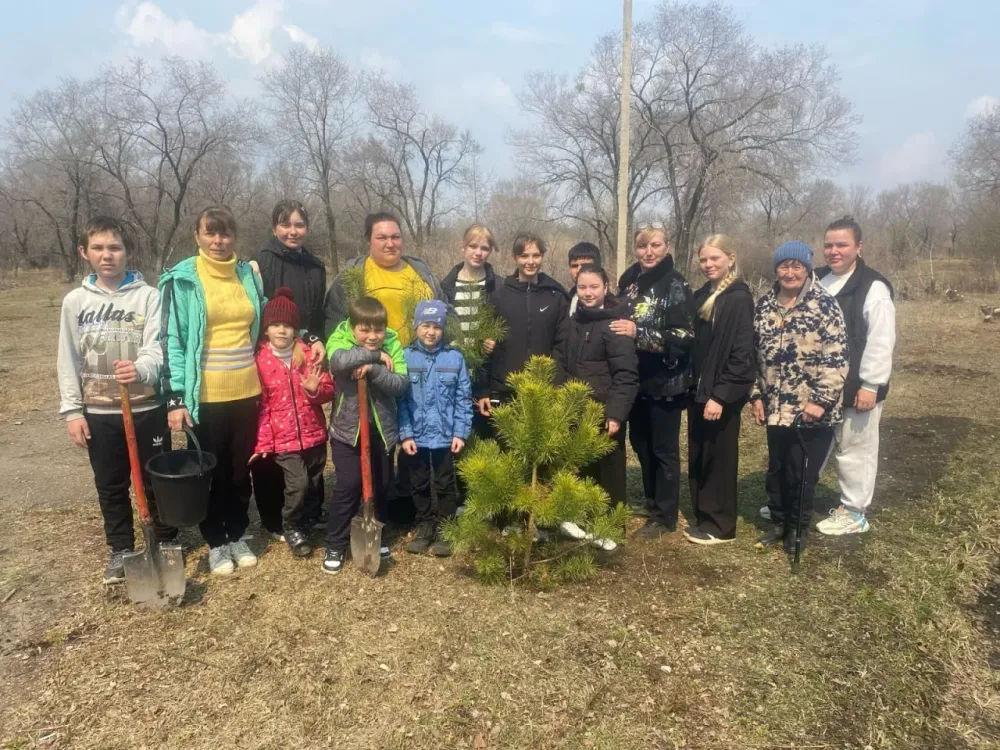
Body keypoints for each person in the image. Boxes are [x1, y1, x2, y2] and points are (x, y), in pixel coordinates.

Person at [57, 216, 176, 584]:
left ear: (128, 252)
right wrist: (73, 410)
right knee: (110, 482)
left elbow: (157, 347)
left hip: (145, 407)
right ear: (84, 253)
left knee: (157, 476)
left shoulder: (149, 296)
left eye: (115, 247)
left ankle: (165, 538)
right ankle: (122, 547)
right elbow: (68, 358)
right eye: (98, 248)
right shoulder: (75, 301)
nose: (107, 255)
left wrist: (142, 369)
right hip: (100, 410)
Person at [160, 205, 265, 576]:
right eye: (211, 233)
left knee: (239, 472)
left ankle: (237, 533)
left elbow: (263, 321)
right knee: (209, 472)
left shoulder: (248, 275)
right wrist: (175, 398)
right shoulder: (182, 280)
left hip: (246, 391)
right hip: (204, 397)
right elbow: (172, 341)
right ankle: (216, 542)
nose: (219, 241)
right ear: (197, 235)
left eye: (225, 233)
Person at [750, 241, 849, 555]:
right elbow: (752, 355)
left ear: (807, 269)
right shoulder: (764, 305)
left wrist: (820, 399)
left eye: (797, 266)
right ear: (776, 269)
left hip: (810, 410)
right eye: (784, 266)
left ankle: (797, 529)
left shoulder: (825, 305)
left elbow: (838, 358)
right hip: (774, 408)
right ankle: (779, 521)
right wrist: (755, 396)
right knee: (777, 470)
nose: (789, 272)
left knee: (801, 473)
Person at [251, 200, 328, 539]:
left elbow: (315, 311)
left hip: (302, 346)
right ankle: (275, 517)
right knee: (275, 436)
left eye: (299, 225)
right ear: (274, 228)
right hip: (270, 347)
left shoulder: (315, 264)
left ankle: (310, 511)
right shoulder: (261, 262)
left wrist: (314, 339)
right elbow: (260, 309)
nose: (293, 231)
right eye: (286, 225)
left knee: (308, 438)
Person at [814, 216, 895, 536]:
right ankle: (798, 495)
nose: (834, 251)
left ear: (858, 247)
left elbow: (881, 340)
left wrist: (871, 384)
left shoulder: (873, 287)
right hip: (818, 384)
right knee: (814, 442)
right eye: (829, 245)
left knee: (854, 448)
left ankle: (853, 511)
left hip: (856, 385)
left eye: (842, 245)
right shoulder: (816, 279)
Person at [614, 223, 694, 537]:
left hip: (666, 380)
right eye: (643, 246)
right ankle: (650, 501)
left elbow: (683, 336)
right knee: (641, 444)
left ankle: (665, 515)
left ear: (666, 247)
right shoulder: (630, 279)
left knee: (664, 449)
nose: (649, 252)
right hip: (636, 378)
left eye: (656, 245)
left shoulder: (675, 284)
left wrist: (640, 334)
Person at [322, 296, 408, 575]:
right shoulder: (340, 339)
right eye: (365, 330)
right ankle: (335, 542)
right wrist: (373, 355)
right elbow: (338, 362)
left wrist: (373, 370)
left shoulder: (393, 344)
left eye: (378, 330)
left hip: (382, 431)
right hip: (347, 431)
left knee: (382, 484)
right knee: (348, 485)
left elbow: (400, 384)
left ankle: (376, 532)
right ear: (352, 326)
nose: (373, 336)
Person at [250, 288, 335, 559]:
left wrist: (314, 389)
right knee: (297, 484)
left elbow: (328, 390)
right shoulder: (260, 360)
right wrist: (264, 442)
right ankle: (291, 524)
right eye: (275, 325)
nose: (281, 331)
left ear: (296, 329)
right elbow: (262, 406)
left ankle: (310, 521)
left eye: (287, 325)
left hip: (313, 434)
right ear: (266, 329)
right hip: (283, 439)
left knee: (313, 481)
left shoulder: (309, 355)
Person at [562, 264, 639, 550]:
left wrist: (616, 413)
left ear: (605, 288)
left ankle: (609, 527)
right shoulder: (573, 322)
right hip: (574, 409)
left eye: (594, 287)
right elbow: (561, 360)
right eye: (582, 287)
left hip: (604, 411)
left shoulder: (615, 325)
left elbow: (627, 376)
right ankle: (580, 521)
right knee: (582, 466)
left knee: (609, 470)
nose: (588, 293)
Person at [685, 235, 755, 546]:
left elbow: (742, 354)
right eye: (703, 260)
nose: (708, 265)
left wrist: (721, 395)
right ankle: (703, 515)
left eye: (715, 258)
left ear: (730, 258)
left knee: (720, 457)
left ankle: (721, 525)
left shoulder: (738, 298)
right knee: (701, 454)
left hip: (719, 395)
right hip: (698, 391)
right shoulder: (703, 295)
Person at [398, 300, 473, 557]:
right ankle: (425, 525)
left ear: (443, 329)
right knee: (418, 483)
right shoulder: (405, 357)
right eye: (426, 326)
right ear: (417, 327)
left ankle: (445, 527)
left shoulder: (454, 358)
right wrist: (405, 433)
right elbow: (401, 401)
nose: (431, 332)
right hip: (416, 437)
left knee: (444, 484)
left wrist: (459, 432)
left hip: (444, 436)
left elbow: (463, 398)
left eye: (436, 327)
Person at [477, 233, 569, 427]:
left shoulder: (555, 296)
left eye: (536, 255)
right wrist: (483, 389)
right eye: (524, 256)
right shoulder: (498, 295)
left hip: (543, 389)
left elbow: (562, 344)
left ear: (543, 256)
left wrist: (556, 382)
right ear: (515, 257)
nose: (530, 261)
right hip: (504, 389)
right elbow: (484, 346)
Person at [323, 212, 446, 346]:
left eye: (396, 237)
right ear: (369, 241)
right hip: (375, 362)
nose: (390, 244)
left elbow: (446, 311)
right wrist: (359, 358)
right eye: (381, 238)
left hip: (423, 362)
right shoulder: (352, 275)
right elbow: (334, 324)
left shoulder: (422, 272)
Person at [440, 223, 499, 342]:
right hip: (453, 358)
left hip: (487, 359)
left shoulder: (498, 286)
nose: (478, 253)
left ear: (490, 251)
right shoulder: (445, 287)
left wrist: (493, 341)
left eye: (484, 248)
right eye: (473, 246)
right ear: (463, 246)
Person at [567, 242, 602, 315]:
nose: (578, 270)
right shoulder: (564, 302)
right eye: (574, 266)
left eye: (585, 265)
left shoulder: (613, 306)